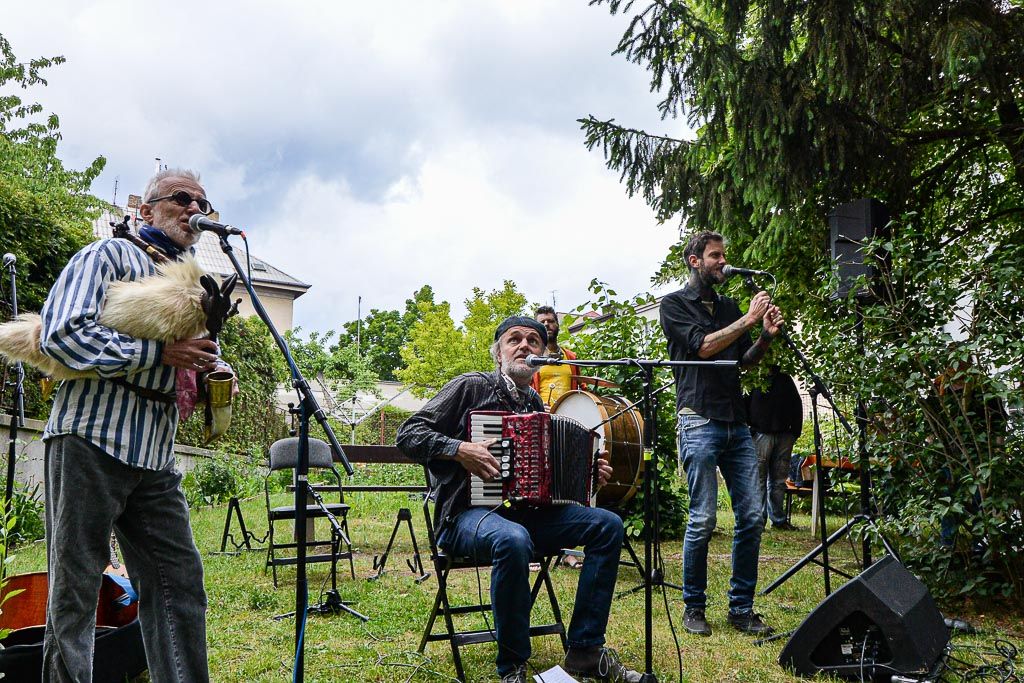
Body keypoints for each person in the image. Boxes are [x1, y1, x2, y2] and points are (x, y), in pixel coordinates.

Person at [40, 168, 226, 681]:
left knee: (179, 583)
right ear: (146, 211)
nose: (194, 210)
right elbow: (61, 336)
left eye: (203, 205)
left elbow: (177, 363)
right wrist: (158, 353)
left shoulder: (196, 285)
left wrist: (204, 364)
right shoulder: (106, 257)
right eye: (181, 199)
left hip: (156, 455)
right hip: (91, 439)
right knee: (75, 590)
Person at [396, 316, 641, 683]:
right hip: (465, 515)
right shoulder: (470, 387)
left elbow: (553, 479)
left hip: (526, 517)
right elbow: (408, 433)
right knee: (512, 538)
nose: (525, 345)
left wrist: (591, 475)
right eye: (514, 340)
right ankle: (512, 666)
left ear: (543, 354)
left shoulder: (539, 408)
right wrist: (461, 448)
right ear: (498, 353)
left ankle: (586, 651)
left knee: (607, 525)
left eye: (534, 341)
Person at [659, 231, 782, 638]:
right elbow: (704, 348)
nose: (722, 261)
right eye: (715, 256)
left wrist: (762, 334)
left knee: (752, 515)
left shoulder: (729, 305)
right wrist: (747, 319)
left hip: (736, 421)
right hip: (697, 419)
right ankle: (694, 607)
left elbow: (743, 361)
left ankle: (741, 608)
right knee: (703, 519)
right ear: (694, 261)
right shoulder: (674, 304)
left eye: (724, 255)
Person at [748, 366, 804, 531]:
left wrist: (795, 431)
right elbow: (743, 405)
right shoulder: (752, 379)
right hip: (760, 435)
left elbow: (796, 404)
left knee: (779, 481)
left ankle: (779, 520)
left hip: (785, 436)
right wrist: (750, 429)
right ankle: (758, 521)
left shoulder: (785, 380)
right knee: (758, 480)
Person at [530, 305, 581, 408]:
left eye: (551, 321)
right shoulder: (531, 358)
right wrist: (537, 406)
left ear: (558, 325)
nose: (546, 324)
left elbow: (581, 387)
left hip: (569, 417)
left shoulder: (571, 357)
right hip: (541, 417)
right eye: (542, 322)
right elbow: (523, 391)